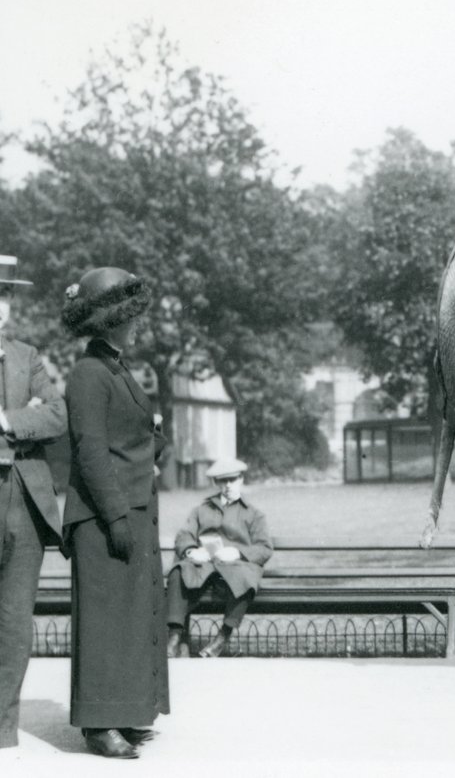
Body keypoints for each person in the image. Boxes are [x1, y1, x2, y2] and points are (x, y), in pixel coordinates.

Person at [60, 267, 167, 759]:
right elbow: (90, 452)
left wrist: (156, 439)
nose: (138, 323)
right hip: (105, 516)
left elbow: (129, 437)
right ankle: (98, 726)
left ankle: (124, 712)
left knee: (128, 617)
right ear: (110, 321)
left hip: (129, 509)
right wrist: (116, 516)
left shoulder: (116, 369)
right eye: (131, 316)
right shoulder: (89, 373)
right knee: (105, 620)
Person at [0, 256, 67, 750]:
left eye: (3, 296)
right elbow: (40, 414)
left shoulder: (27, 356)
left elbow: (59, 416)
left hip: (23, 497)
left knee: (13, 621)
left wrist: (8, 421)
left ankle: (1, 728)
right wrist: (29, 413)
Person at [166, 458, 273, 659]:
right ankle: (174, 637)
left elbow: (265, 548)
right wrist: (191, 551)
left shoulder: (254, 514)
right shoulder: (201, 510)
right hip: (204, 567)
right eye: (222, 481)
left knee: (247, 577)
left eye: (232, 480)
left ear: (241, 479)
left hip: (234, 571)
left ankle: (222, 637)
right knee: (179, 571)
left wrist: (238, 553)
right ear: (216, 483)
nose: (228, 486)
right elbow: (184, 535)